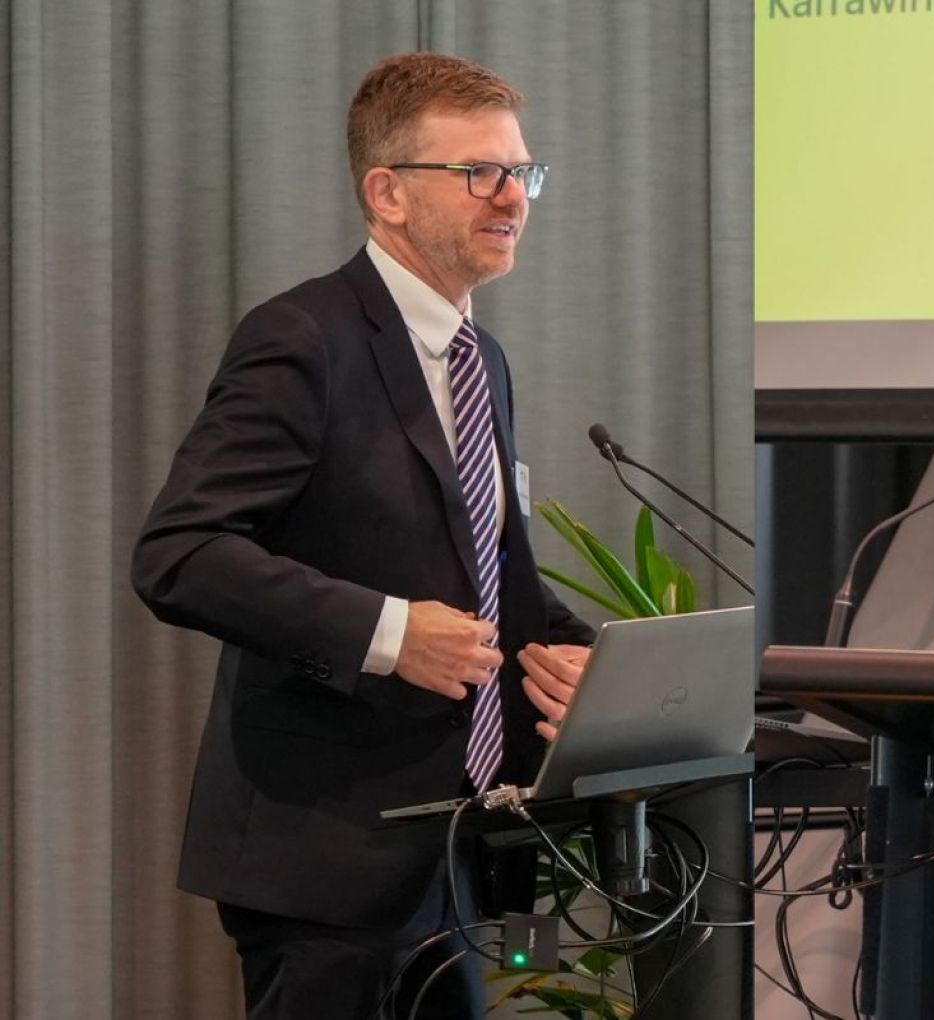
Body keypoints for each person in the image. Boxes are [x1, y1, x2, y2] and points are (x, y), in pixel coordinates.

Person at [131, 52, 596, 1019]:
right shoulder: (303, 339)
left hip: (470, 851)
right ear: (387, 193)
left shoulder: (483, 359)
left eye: (522, 172)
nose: (511, 196)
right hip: (329, 865)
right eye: (479, 173)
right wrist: (389, 634)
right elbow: (180, 554)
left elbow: (494, 566)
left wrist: (592, 661)